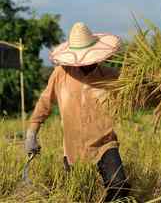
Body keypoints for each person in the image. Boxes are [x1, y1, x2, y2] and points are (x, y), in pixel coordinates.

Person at [25, 22, 130, 202]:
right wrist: (32, 133)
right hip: (73, 149)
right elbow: (45, 101)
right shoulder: (61, 74)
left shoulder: (111, 76)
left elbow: (137, 94)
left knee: (120, 185)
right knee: (79, 196)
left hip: (104, 144)